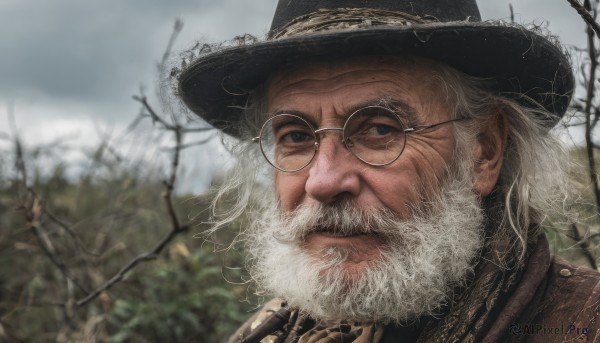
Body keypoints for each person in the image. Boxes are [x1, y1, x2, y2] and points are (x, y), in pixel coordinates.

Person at [177, 0, 600, 342]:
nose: (322, 181)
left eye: (380, 129)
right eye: (295, 136)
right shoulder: (271, 329)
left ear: (484, 151)